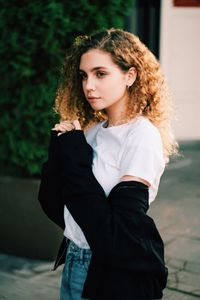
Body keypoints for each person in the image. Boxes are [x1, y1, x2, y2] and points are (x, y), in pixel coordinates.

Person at [38, 28, 178, 300]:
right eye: (83, 75)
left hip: (106, 273)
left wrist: (75, 157)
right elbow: (55, 204)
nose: (88, 85)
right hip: (73, 259)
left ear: (130, 75)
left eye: (100, 74)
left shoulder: (140, 136)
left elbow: (115, 234)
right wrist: (60, 150)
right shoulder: (90, 132)